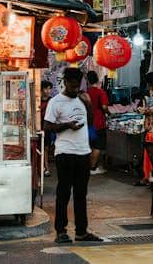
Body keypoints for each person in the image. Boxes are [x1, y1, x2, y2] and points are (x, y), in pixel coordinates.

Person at [44, 68, 102, 244]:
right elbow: (47, 126)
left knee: (81, 194)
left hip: (83, 152)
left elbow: (89, 122)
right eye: (72, 86)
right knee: (63, 193)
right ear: (65, 83)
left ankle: (81, 232)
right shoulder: (55, 102)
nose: (75, 89)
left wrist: (89, 104)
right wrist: (67, 125)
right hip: (65, 153)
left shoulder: (82, 99)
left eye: (78, 86)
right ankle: (61, 231)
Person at [86, 71, 109, 175]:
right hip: (99, 122)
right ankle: (92, 168)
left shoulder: (86, 93)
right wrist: (108, 112)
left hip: (88, 122)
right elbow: (104, 106)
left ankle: (89, 166)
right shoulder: (100, 92)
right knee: (98, 146)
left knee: (90, 145)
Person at [40, 80, 54, 177]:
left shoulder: (51, 100)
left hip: (48, 127)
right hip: (39, 126)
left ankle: (45, 167)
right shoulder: (38, 100)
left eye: (49, 89)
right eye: (46, 89)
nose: (48, 91)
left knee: (46, 148)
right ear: (41, 89)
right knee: (40, 148)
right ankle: (43, 167)